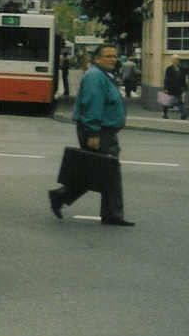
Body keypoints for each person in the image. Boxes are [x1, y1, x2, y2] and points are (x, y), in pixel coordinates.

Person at [48, 44, 134, 226]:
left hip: (104, 130)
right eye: (108, 56)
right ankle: (112, 215)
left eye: (114, 56)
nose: (113, 59)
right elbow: (92, 106)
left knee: (95, 171)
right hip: (99, 131)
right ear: (97, 59)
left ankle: (60, 196)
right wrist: (93, 133)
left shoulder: (103, 75)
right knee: (108, 171)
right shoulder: (95, 77)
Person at [163, 55, 189, 120]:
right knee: (166, 102)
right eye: (175, 59)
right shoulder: (169, 68)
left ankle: (183, 114)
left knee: (180, 102)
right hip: (170, 88)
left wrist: (185, 87)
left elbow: (183, 79)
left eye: (177, 59)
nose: (176, 61)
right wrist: (165, 88)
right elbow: (166, 79)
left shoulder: (182, 68)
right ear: (172, 60)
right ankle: (165, 114)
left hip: (178, 88)